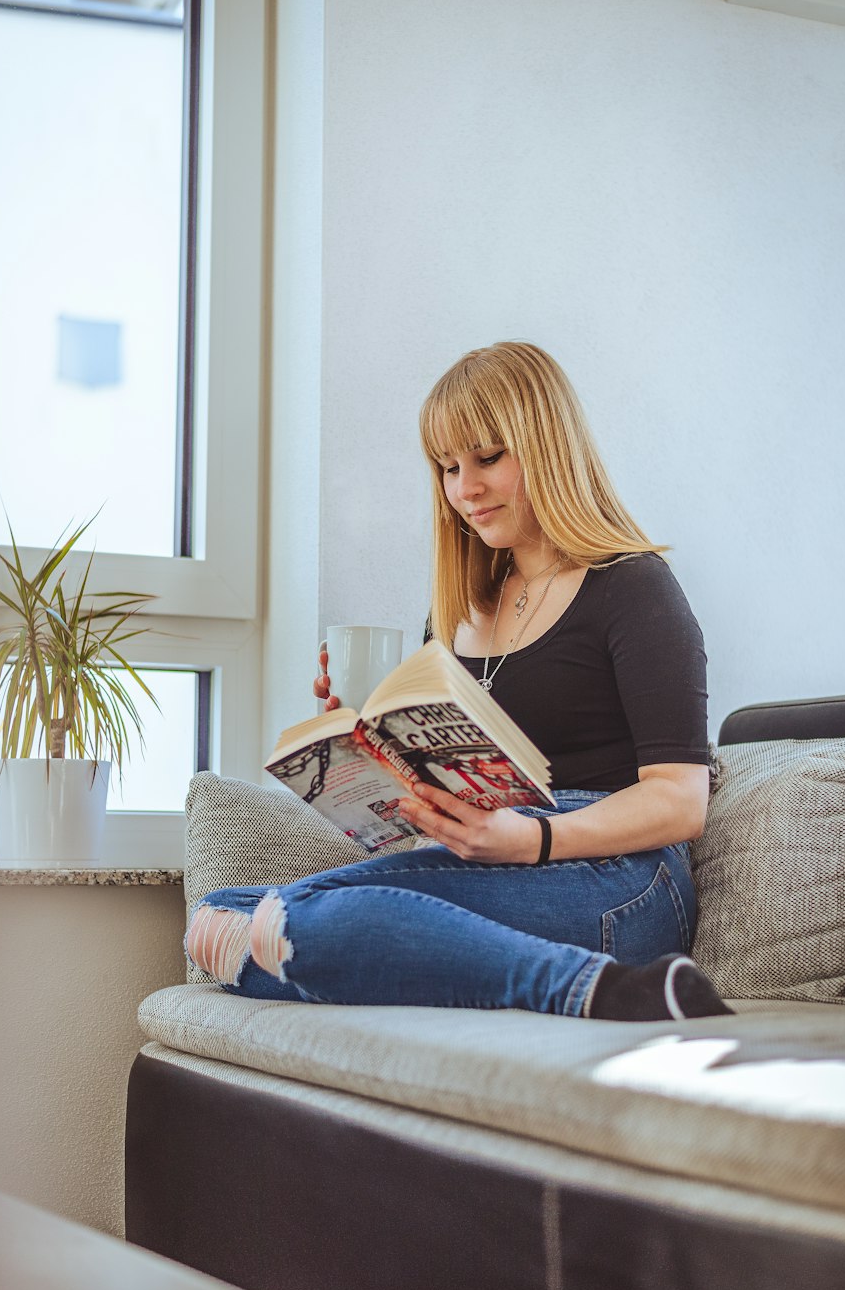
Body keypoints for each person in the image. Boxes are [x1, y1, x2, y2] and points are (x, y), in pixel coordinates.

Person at [185, 341, 731, 1021]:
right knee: (219, 918)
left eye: (488, 457)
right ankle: (589, 986)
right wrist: (364, 746)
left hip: (620, 879)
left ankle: (591, 987)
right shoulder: (459, 612)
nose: (464, 488)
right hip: (492, 859)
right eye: (448, 467)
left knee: (277, 926)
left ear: (546, 444)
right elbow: (430, 814)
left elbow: (682, 802)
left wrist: (533, 840)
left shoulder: (633, 588)